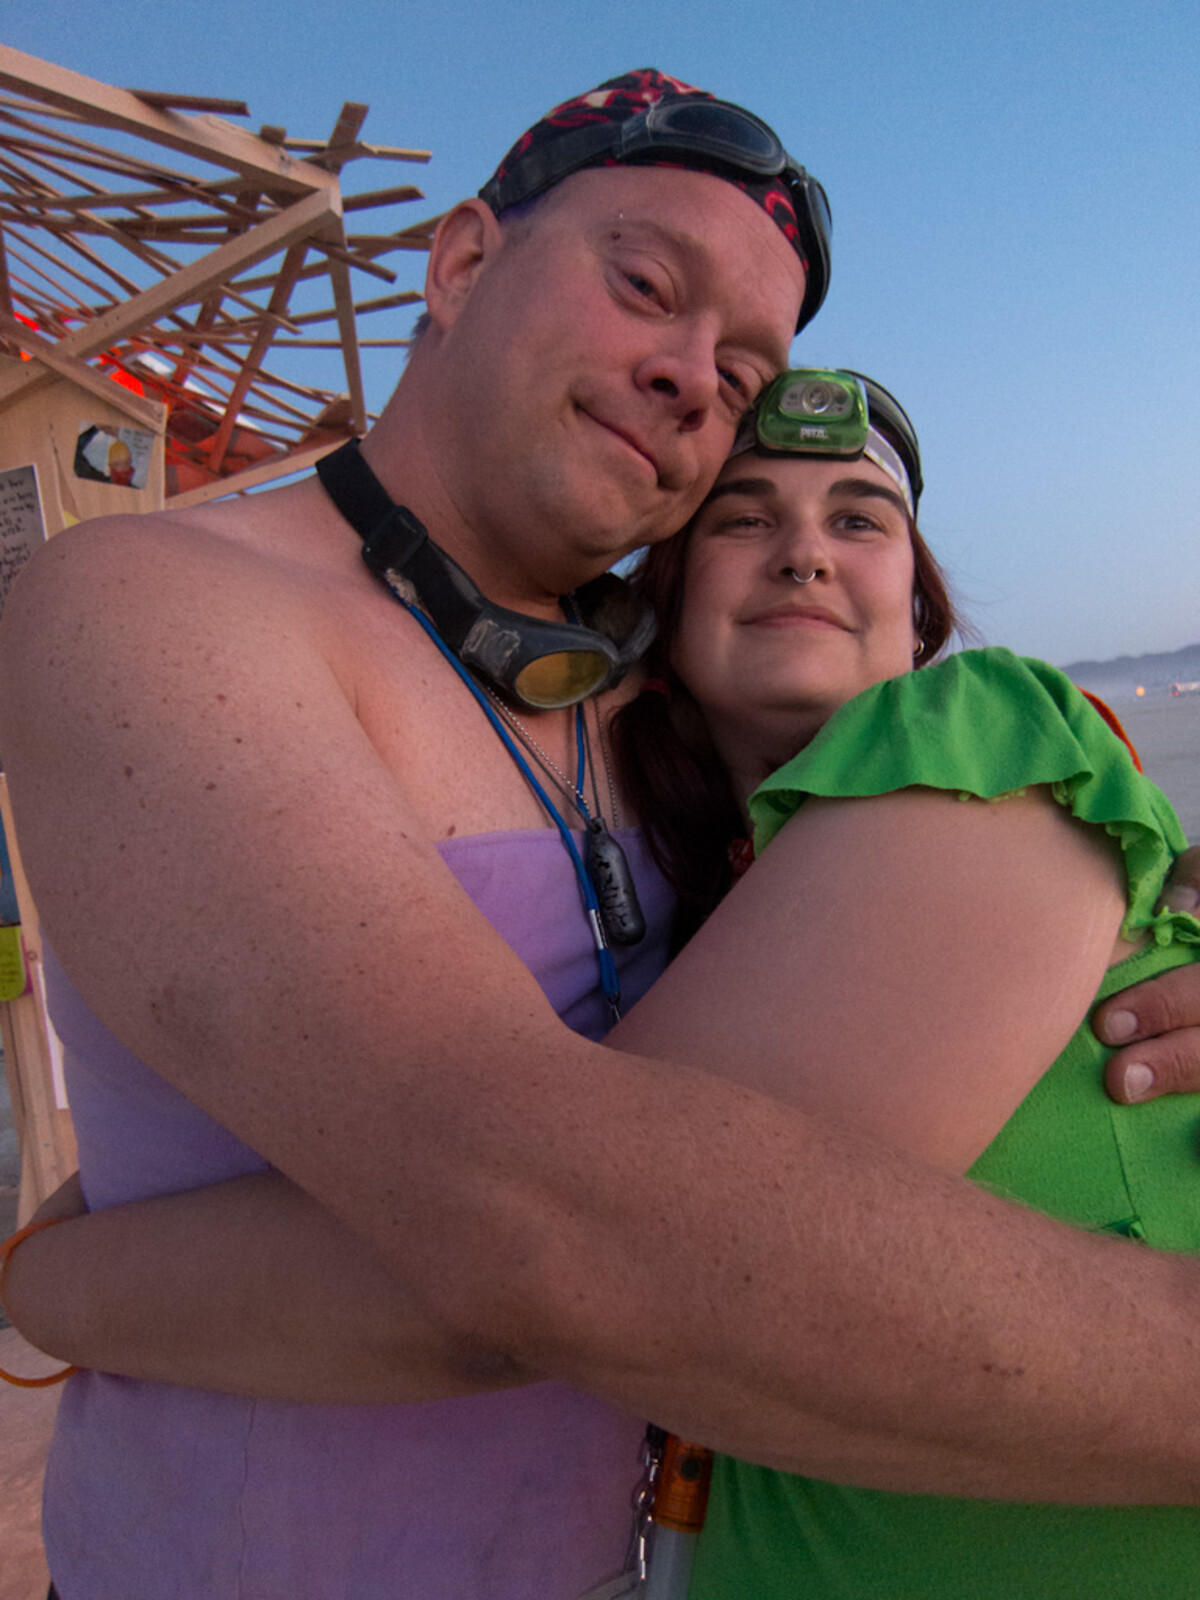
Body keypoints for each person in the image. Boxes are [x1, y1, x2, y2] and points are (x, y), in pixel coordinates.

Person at [6, 68, 1200, 1600]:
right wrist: (62, 1272)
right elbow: (547, 1224)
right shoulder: (162, 605)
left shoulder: (653, 735)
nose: (696, 374)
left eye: (749, 362)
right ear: (462, 261)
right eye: (645, 283)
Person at [605, 367, 1200, 1595]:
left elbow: (578, 1244)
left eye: (860, 520)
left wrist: (93, 1278)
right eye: (744, 517)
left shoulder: (974, 718)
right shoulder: (660, 909)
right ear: (664, 604)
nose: (806, 555)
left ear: (917, 615)